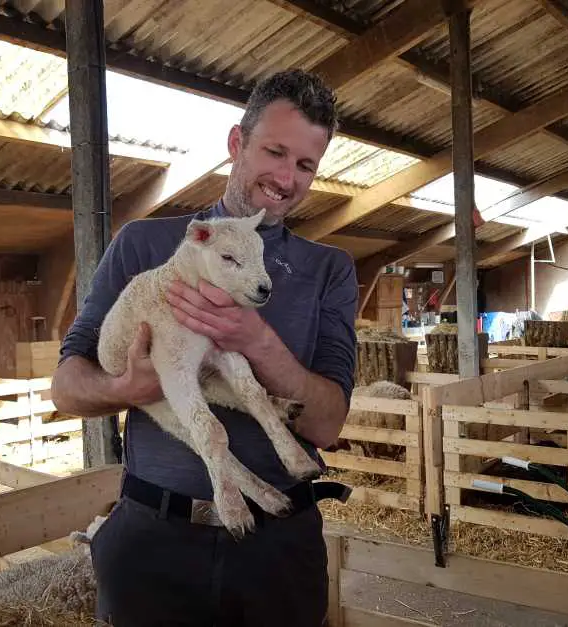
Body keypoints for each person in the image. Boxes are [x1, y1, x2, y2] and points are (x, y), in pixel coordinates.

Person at [50, 68, 359, 627]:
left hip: (278, 552)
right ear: (237, 143)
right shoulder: (144, 245)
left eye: (305, 165)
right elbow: (66, 386)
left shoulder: (327, 270)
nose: (287, 177)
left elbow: (328, 424)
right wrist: (129, 387)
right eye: (275, 152)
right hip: (153, 539)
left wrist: (255, 339)